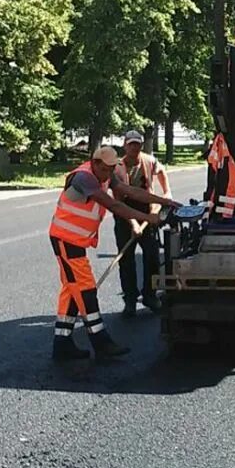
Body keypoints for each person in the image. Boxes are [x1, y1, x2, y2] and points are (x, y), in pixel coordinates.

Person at [50, 145, 179, 360]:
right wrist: (149, 219)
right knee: (85, 290)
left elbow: (131, 191)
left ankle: (62, 343)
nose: (109, 174)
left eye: (112, 169)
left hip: (74, 240)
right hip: (65, 239)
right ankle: (101, 342)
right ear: (96, 162)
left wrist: (163, 201)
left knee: (72, 290)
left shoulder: (104, 175)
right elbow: (114, 205)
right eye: (106, 169)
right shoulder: (85, 178)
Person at [114, 130, 172, 316]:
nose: (134, 147)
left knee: (152, 256)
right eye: (131, 144)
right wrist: (133, 224)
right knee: (126, 259)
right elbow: (118, 202)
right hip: (124, 215)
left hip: (148, 212)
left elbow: (162, 172)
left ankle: (150, 295)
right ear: (125, 145)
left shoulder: (149, 160)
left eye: (137, 144)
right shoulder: (117, 168)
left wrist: (167, 193)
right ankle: (130, 299)